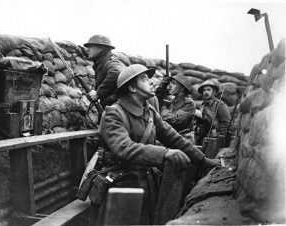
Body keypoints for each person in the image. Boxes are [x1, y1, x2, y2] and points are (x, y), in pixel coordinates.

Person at [90, 64, 219, 225]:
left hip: (148, 184)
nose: (151, 82)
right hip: (121, 186)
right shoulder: (113, 114)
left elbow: (174, 139)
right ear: (132, 88)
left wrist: (203, 161)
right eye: (144, 79)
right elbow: (125, 148)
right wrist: (164, 153)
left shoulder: (149, 111)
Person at [84, 35, 126, 108]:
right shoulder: (102, 64)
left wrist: (98, 93)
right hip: (112, 108)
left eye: (90, 47)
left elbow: (117, 72)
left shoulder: (110, 62)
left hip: (118, 110)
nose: (87, 50)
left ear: (101, 48)